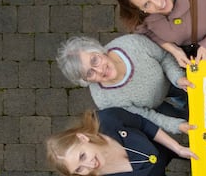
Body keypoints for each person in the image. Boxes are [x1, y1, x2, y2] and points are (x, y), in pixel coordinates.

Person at [45, 108, 197, 176]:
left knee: (201, 156)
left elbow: (143, 124)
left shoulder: (108, 119)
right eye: (79, 169)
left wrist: (178, 148)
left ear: (83, 138)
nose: (89, 165)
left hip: (162, 148)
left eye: (82, 156)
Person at [56, 34, 192, 134]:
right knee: (188, 118)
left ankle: (180, 98)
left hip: (169, 78)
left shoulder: (132, 43)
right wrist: (177, 126)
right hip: (154, 108)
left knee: (187, 93)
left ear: (98, 50)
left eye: (94, 60)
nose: (99, 70)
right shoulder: (105, 100)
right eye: (89, 73)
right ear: (85, 81)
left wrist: (178, 78)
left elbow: (163, 57)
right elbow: (146, 117)